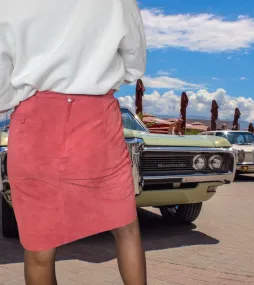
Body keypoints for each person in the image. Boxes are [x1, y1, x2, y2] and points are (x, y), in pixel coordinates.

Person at [0, 0, 147, 285]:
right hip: (97, 117)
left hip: (35, 121)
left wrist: (15, 98)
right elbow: (134, 57)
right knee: (126, 228)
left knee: (39, 246)